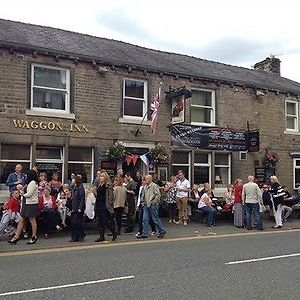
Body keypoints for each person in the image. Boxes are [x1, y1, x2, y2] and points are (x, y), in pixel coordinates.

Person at [8, 169, 39, 244]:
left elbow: (29, 194)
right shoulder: (28, 183)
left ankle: (34, 236)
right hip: (26, 202)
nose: (25, 176)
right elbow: (24, 191)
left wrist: (22, 194)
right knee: (22, 219)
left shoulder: (33, 183)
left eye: (26, 175)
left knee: (32, 219)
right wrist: (22, 191)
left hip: (31, 203)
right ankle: (16, 236)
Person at [137, 175, 166, 239]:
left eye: (146, 179)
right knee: (145, 219)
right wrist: (143, 202)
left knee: (155, 219)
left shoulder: (154, 186)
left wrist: (154, 202)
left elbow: (158, 195)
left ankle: (162, 230)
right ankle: (144, 233)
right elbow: (143, 195)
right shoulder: (145, 187)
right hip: (146, 205)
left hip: (152, 204)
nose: (145, 180)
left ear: (150, 179)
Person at [95, 172, 117, 242]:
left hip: (104, 204)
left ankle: (114, 232)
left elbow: (111, 196)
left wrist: (110, 203)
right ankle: (101, 236)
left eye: (102, 176)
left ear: (105, 178)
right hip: (99, 203)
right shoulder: (99, 184)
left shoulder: (108, 185)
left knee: (105, 220)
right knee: (100, 221)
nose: (100, 178)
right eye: (100, 176)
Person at [70, 175, 86, 242]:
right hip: (74, 207)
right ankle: (75, 236)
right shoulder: (74, 187)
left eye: (73, 179)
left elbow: (82, 198)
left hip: (78, 208)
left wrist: (80, 207)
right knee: (73, 222)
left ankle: (82, 234)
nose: (72, 181)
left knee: (76, 222)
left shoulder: (80, 188)